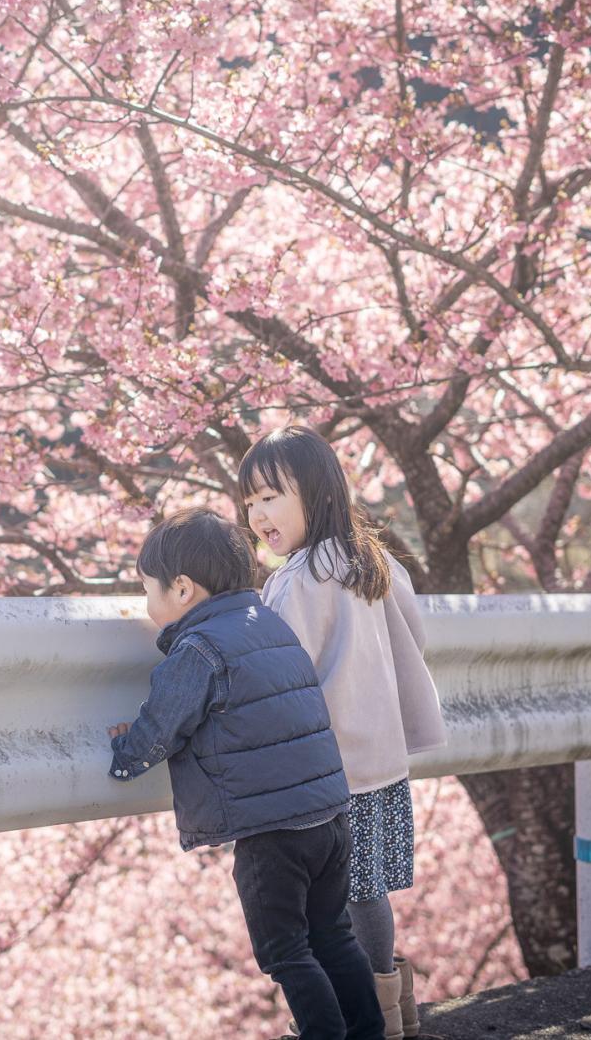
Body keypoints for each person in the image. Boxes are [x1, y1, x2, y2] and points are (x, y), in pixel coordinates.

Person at [108, 507, 382, 1040]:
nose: (148, 604)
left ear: (182, 589)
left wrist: (125, 755)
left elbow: (163, 726)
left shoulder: (198, 648)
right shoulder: (271, 627)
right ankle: (369, 1032)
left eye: (149, 590)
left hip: (271, 831)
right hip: (329, 815)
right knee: (333, 933)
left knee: (284, 949)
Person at [239, 426, 447, 1040]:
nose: (258, 514)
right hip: (381, 760)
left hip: (328, 770)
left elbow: (276, 669)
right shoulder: (373, 561)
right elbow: (415, 638)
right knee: (368, 891)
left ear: (319, 493)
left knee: (326, 909)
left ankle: (367, 1022)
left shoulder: (295, 579)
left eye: (271, 496)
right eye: (249, 502)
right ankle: (394, 1014)